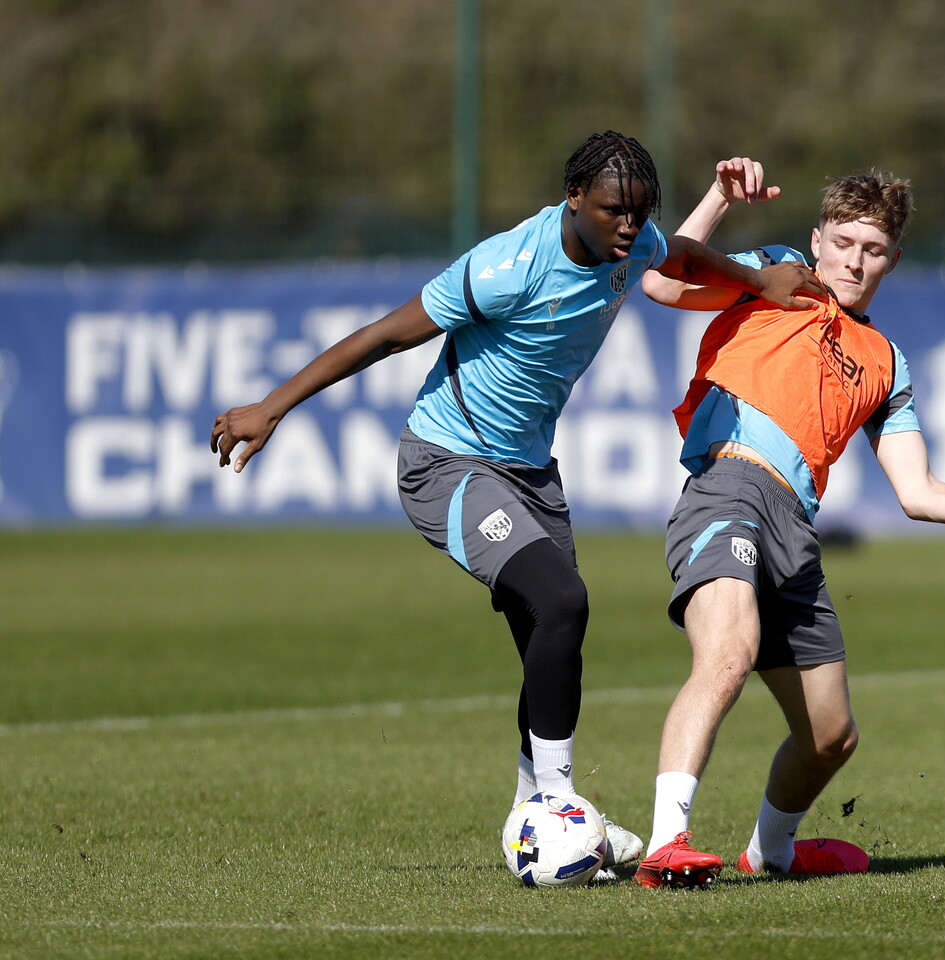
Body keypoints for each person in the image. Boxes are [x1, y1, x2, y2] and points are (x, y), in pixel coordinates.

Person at [209, 133, 824, 871]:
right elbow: (382, 336)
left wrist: (760, 283)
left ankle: (536, 811)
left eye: (638, 212)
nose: (627, 227)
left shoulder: (634, 240)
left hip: (531, 474)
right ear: (574, 199)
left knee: (548, 636)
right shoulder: (507, 267)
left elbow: (683, 260)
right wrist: (272, 407)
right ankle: (557, 804)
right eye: (611, 211)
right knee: (563, 599)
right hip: (448, 464)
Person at [633, 158, 945, 887]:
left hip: (794, 523)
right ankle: (668, 840)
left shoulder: (887, 362)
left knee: (830, 737)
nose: (855, 260)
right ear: (817, 241)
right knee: (727, 654)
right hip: (727, 490)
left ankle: (772, 854)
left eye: (873, 249)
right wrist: (720, 199)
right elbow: (661, 280)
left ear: (894, 259)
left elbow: (917, 491)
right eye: (844, 242)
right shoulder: (777, 274)